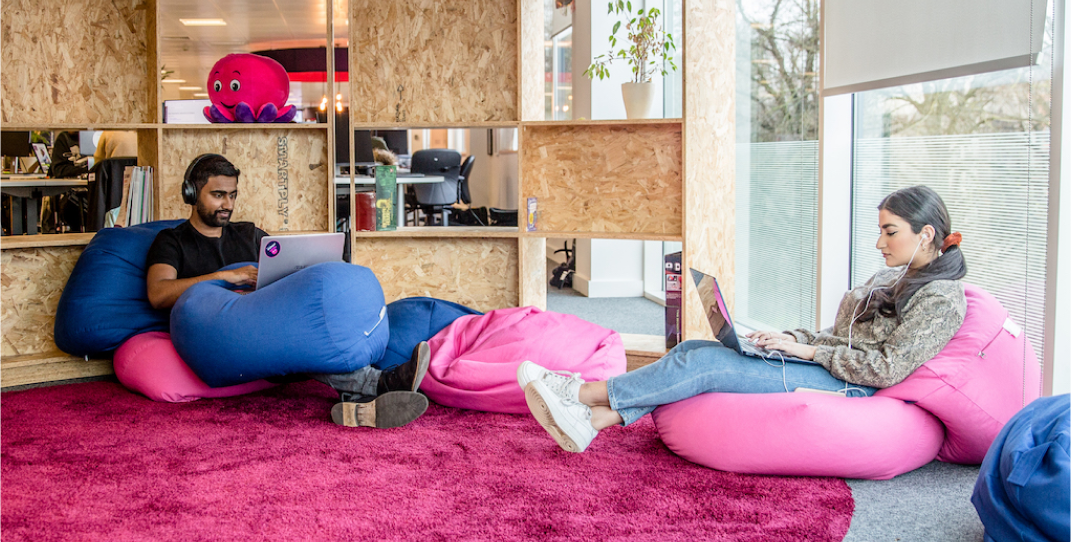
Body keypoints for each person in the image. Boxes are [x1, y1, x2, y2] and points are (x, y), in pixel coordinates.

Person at [519, 185, 968, 452]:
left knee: (706, 366)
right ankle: (593, 422)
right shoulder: (894, 276)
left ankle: (579, 393)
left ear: (925, 234)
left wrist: (807, 351)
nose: (879, 243)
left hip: (849, 385)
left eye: (889, 232)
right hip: (828, 363)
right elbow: (838, 335)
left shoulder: (941, 300)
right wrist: (787, 337)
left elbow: (887, 368)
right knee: (695, 348)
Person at [146, 153, 430, 429]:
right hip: (216, 333)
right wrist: (225, 277)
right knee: (288, 334)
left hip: (267, 322)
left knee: (297, 330)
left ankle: (363, 398)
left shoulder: (249, 234)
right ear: (192, 193)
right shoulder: (172, 240)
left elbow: (281, 274)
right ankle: (380, 383)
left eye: (232, 195)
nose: (227, 204)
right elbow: (158, 293)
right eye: (218, 195)